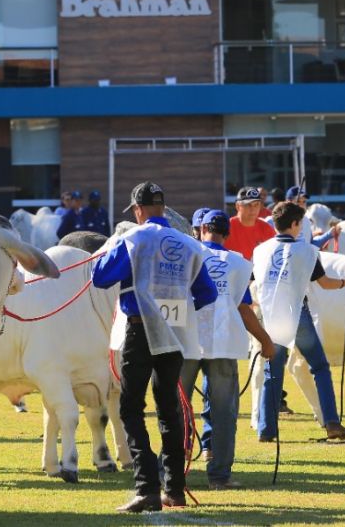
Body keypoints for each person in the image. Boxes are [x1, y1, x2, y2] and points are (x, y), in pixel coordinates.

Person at [92, 182, 218, 513]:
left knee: (131, 408)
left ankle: (146, 487)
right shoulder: (188, 243)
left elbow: (101, 277)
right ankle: (174, 488)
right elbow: (207, 294)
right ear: (162, 208)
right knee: (169, 408)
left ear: (137, 211)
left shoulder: (133, 238)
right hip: (174, 333)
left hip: (140, 329)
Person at [180, 209, 276, 490]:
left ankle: (172, 473)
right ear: (227, 233)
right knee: (223, 412)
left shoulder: (187, 254)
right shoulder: (238, 263)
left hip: (185, 342)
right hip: (223, 343)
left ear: (201, 229)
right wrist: (265, 340)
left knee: (175, 409)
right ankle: (219, 476)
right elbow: (244, 308)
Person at [254, 201, 345, 443]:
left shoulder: (260, 250)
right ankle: (332, 422)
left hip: (270, 316)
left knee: (273, 372)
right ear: (295, 224)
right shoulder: (307, 251)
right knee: (320, 368)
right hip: (296, 314)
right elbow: (326, 283)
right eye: (300, 223)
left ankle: (266, 430)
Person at [225, 187, 275, 261]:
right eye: (248, 205)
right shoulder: (226, 227)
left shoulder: (266, 229)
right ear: (238, 206)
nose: (253, 209)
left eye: (256, 204)